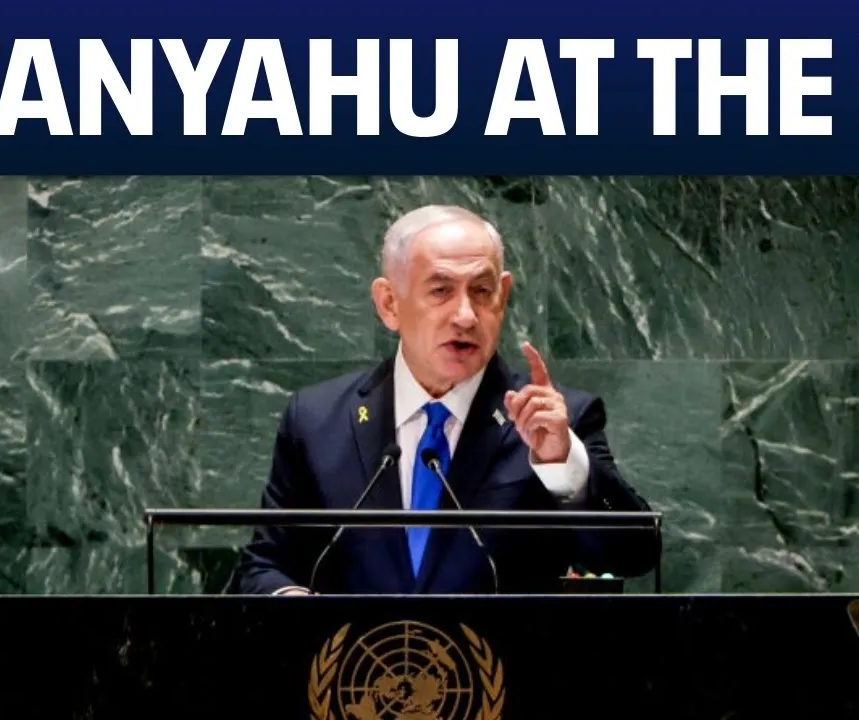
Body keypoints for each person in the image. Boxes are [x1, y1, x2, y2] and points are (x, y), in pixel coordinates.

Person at [232, 205, 659, 595]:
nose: (466, 316)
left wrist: (563, 464)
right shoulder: (317, 420)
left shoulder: (556, 423)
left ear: (503, 296)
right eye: (440, 291)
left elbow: (633, 556)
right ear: (389, 304)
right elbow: (264, 566)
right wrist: (293, 607)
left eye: (482, 291)